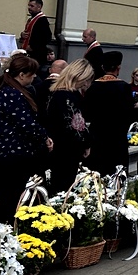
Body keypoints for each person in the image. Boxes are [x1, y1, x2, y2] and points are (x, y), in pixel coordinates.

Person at [0, 54, 52, 220]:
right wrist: (44, 136)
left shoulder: (8, 91)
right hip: (14, 153)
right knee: (16, 198)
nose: (34, 77)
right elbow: (26, 123)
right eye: (32, 74)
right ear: (22, 74)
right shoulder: (11, 94)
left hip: (10, 152)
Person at [44, 59, 92, 192]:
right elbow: (76, 124)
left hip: (57, 144)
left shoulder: (56, 92)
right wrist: (86, 143)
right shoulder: (67, 96)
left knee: (58, 184)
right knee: (64, 186)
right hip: (66, 148)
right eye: (86, 79)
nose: (86, 83)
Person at [83, 51, 133, 176]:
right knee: (116, 174)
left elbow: (87, 112)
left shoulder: (93, 86)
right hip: (117, 137)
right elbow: (129, 113)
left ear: (102, 67)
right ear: (118, 68)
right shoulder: (124, 87)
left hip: (98, 136)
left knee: (97, 174)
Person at [19, 0, 52, 70]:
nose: (29, 8)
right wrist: (22, 35)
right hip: (28, 53)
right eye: (29, 5)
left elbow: (47, 38)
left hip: (37, 55)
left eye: (32, 6)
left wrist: (33, 47)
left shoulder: (42, 20)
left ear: (39, 7)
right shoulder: (31, 19)